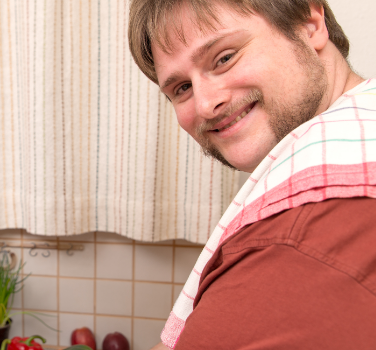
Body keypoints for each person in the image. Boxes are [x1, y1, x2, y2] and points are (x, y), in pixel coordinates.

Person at [129, 0, 376, 349]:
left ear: (310, 23)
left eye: (224, 57)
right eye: (181, 88)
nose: (204, 104)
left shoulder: (300, 235)